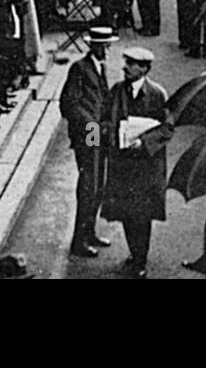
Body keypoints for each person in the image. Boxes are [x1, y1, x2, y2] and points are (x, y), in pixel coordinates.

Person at [101, 46, 170, 278]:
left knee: (142, 214)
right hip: (122, 164)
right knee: (126, 212)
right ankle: (134, 252)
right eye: (126, 62)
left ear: (144, 69)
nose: (126, 67)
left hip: (145, 166)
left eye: (132, 64)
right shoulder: (116, 91)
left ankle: (140, 260)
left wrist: (144, 142)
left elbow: (168, 128)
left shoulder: (158, 94)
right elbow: (103, 119)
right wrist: (107, 136)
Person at [59, 26, 118, 257]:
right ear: (95, 46)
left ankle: (89, 232)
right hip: (88, 134)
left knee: (98, 186)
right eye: (105, 46)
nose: (108, 50)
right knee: (88, 186)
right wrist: (93, 126)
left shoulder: (98, 66)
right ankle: (79, 241)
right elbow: (69, 104)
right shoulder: (79, 69)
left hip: (99, 132)